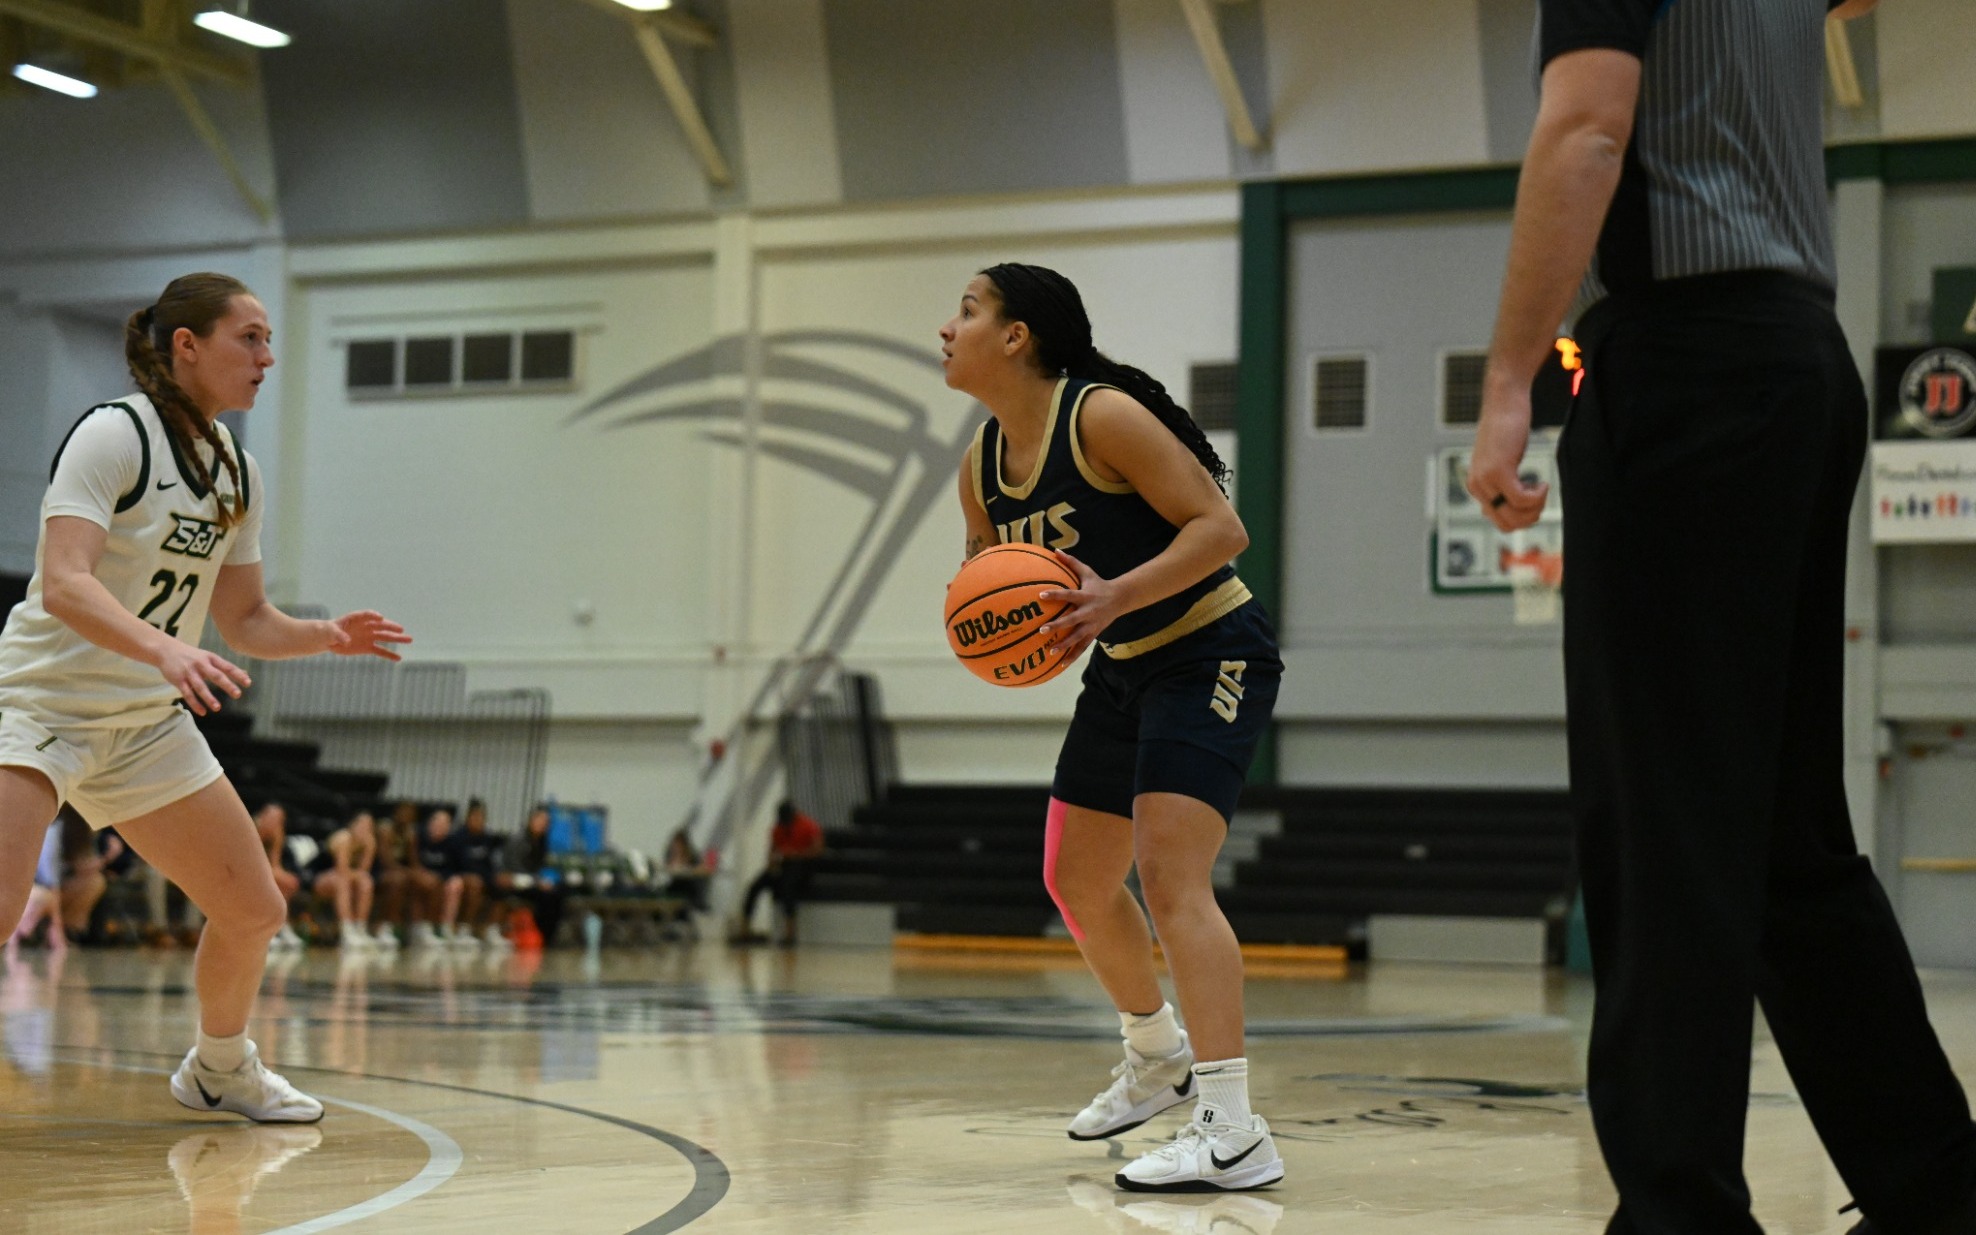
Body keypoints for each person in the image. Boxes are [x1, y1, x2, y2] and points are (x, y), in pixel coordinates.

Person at [1469, 6, 1976, 1233]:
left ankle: (1677, 1213)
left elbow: (1586, 130)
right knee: (1785, 839)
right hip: (1797, 360)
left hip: (1682, 368)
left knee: (1661, 829)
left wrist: (1505, 378)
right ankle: (1935, 1193)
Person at [0, 272, 410, 1123]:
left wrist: (325, 634)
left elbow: (245, 618)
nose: (266, 357)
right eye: (249, 338)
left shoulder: (236, 472)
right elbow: (65, 580)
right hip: (40, 707)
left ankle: (220, 1069)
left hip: (143, 725)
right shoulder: (113, 434)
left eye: (269, 341)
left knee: (254, 908)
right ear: (186, 346)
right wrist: (162, 647)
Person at [942, 263, 1283, 1192]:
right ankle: (1158, 1054)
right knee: (1076, 877)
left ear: (1016, 335)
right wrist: (994, 628)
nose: (947, 328)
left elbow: (1222, 528)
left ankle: (1234, 1131)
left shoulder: (1100, 417)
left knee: (1172, 879)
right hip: (1123, 664)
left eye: (967, 311)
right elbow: (993, 585)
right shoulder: (980, 468)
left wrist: (1112, 597)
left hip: (1211, 650)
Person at [736, 800, 823, 946]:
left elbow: (818, 850)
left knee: (788, 888)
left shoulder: (808, 825)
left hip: (804, 865)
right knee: (754, 886)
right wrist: (772, 867)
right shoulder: (777, 829)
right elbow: (772, 851)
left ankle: (790, 934)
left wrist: (797, 854)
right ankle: (745, 930)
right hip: (784, 865)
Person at [302, 809, 380, 950]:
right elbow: (341, 870)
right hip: (318, 877)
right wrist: (357, 875)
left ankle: (360, 929)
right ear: (352, 825)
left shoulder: (369, 842)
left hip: (345, 879)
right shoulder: (343, 838)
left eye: (368, 826)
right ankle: (347, 931)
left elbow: (364, 871)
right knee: (342, 882)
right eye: (361, 825)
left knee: (366, 882)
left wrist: (360, 873)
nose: (364, 829)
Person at [496, 806, 565, 946]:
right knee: (547, 896)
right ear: (531, 820)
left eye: (546, 822)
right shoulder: (518, 840)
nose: (543, 824)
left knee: (559, 890)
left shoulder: (542, 842)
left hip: (533, 881)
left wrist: (545, 880)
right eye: (540, 820)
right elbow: (514, 867)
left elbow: (542, 866)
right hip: (516, 882)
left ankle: (549, 935)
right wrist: (537, 881)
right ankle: (543, 934)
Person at [454, 798, 507, 949]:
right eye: (475, 817)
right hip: (463, 875)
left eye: (481, 818)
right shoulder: (459, 837)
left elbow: (492, 863)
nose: (478, 820)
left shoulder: (488, 838)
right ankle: (464, 930)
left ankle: (492, 931)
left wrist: (498, 875)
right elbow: (457, 864)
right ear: (467, 819)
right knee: (475, 885)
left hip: (484, 875)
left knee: (502, 885)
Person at [253, 802, 304, 950]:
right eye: (272, 818)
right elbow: (252, 865)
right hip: (237, 871)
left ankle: (281, 926)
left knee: (282, 884)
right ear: (262, 816)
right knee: (269, 881)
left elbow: (275, 866)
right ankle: (263, 930)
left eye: (279, 820)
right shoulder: (251, 829)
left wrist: (284, 877)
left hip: (259, 872)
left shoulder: (277, 834)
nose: (275, 823)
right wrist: (279, 876)